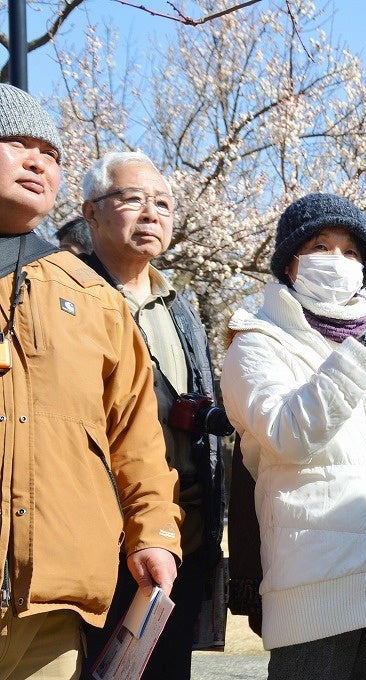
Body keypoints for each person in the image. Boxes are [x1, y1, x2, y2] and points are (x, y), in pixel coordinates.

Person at [220, 192, 366, 680]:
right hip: (314, 591)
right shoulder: (256, 343)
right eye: (321, 247)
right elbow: (289, 435)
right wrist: (365, 350)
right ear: (290, 262)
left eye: (351, 252)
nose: (338, 261)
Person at [0, 84, 181, 678]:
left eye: (49, 154)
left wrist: (154, 532)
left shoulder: (94, 299)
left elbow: (137, 438)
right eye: (14, 143)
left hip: (53, 605)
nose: (37, 162)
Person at [78, 151, 229, 678]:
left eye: (163, 203)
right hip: (98, 535)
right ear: (90, 212)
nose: (152, 214)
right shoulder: (67, 295)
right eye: (133, 199)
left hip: (181, 532)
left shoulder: (179, 307)